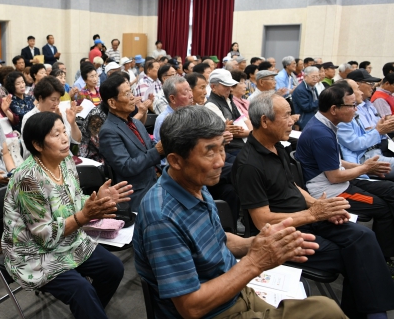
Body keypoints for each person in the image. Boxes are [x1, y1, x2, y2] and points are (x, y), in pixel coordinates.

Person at [134, 106, 343, 319]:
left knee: (323, 310)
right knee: (326, 311)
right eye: (209, 152)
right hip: (215, 311)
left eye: (221, 148)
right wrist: (255, 262)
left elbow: (217, 240)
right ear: (176, 161)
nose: (220, 161)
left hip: (235, 293)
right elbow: (191, 307)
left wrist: (257, 243)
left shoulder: (195, 184)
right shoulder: (161, 218)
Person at [233, 91, 394, 318]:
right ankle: (373, 314)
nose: (293, 121)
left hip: (308, 217)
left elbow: (291, 184)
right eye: (287, 116)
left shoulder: (277, 147)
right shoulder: (249, 164)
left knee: (364, 238)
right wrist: (314, 214)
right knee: (355, 257)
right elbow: (262, 221)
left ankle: (370, 312)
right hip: (286, 231)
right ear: (265, 121)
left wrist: (319, 206)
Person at [4, 112, 131, 318]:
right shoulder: (28, 179)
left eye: (64, 131)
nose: (65, 138)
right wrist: (85, 216)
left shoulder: (66, 162)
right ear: (37, 145)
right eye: (56, 135)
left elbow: (73, 199)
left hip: (68, 240)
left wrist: (96, 199)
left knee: (113, 268)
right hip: (35, 253)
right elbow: (43, 236)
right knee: (82, 291)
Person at [296, 85, 394, 261]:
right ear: (334, 109)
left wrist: (361, 168)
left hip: (340, 181)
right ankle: (383, 258)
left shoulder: (324, 124)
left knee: (390, 190)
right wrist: (365, 168)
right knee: (383, 208)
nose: (356, 110)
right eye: (352, 105)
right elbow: (334, 177)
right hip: (331, 191)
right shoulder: (321, 133)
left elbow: (334, 161)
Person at [98, 74, 163, 211]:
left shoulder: (135, 122)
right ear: (112, 103)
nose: (132, 97)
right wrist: (157, 151)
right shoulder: (108, 131)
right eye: (127, 94)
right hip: (136, 194)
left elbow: (150, 148)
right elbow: (126, 167)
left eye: (131, 92)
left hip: (155, 183)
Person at [337, 79, 394, 179]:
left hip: (375, 151)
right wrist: (378, 130)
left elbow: (364, 134)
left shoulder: (354, 112)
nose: (361, 92)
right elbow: (356, 144)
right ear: (347, 94)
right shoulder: (342, 118)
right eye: (358, 89)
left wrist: (379, 128)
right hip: (364, 159)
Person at [205, 69, 252, 154]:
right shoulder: (211, 105)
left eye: (230, 85)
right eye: (225, 86)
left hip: (244, 144)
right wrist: (252, 133)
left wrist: (251, 132)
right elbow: (231, 131)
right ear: (213, 87)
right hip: (231, 149)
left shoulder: (229, 100)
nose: (229, 89)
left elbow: (245, 119)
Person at [153, 76, 192, 144]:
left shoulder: (193, 112)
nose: (191, 95)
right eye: (185, 92)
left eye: (190, 90)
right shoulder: (164, 120)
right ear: (172, 99)